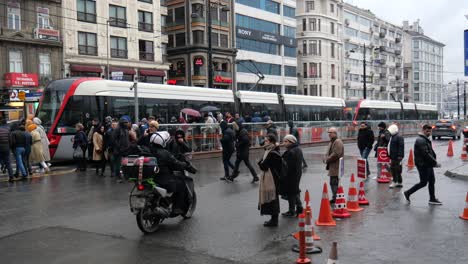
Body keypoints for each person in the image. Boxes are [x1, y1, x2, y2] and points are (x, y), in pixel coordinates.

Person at [150, 131, 197, 215]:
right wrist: (186, 165)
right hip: (163, 179)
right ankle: (177, 208)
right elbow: (176, 163)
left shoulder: (148, 151)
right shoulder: (165, 153)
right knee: (181, 183)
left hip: (151, 178)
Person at [403, 125, 442, 205]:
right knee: (423, 182)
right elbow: (425, 154)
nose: (429, 132)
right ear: (423, 130)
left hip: (428, 164)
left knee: (432, 181)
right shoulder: (420, 140)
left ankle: (432, 199)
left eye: (430, 131)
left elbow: (430, 152)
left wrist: (433, 162)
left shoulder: (425, 139)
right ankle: (407, 193)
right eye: (427, 131)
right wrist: (435, 162)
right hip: (423, 165)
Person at [257, 134, 281, 227]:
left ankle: (274, 221)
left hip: (272, 179)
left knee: (272, 198)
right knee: (272, 198)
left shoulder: (272, 152)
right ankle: (273, 219)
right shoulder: (270, 150)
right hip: (271, 178)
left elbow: (264, 166)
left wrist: (259, 162)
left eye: (266, 140)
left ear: (271, 142)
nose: (264, 142)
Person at [281, 134, 304, 217]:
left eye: (286, 141)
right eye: (284, 141)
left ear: (291, 142)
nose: (284, 143)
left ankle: (293, 210)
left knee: (292, 193)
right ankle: (298, 208)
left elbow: (288, 165)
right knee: (294, 191)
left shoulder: (292, 151)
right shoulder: (296, 149)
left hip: (292, 175)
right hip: (296, 174)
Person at [324, 127, 344, 203]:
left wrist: (327, 159)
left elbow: (336, 154)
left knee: (334, 182)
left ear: (335, 133)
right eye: (328, 132)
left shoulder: (337, 142)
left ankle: (336, 198)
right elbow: (329, 152)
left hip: (336, 166)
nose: (329, 134)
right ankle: (335, 197)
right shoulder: (332, 141)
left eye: (330, 133)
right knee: (333, 182)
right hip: (333, 166)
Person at [111, 118, 131, 182]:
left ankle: (126, 176)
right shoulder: (117, 129)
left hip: (125, 150)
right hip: (118, 150)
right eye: (125, 123)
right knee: (118, 164)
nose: (126, 124)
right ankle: (118, 177)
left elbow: (127, 139)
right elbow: (114, 140)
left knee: (125, 164)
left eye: (127, 122)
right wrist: (119, 147)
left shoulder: (125, 130)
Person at [387, 124, 404, 188]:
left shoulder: (398, 137)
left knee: (394, 169)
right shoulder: (393, 137)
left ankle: (395, 181)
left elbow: (401, 147)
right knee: (397, 169)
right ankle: (399, 182)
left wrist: (400, 156)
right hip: (393, 156)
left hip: (396, 157)